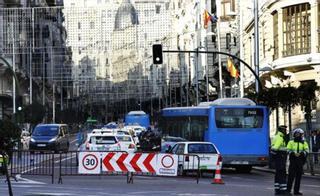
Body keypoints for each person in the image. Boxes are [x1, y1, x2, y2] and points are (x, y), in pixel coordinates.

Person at [286, 128, 309, 195]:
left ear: (301, 135)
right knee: (291, 177)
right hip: (293, 161)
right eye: (296, 134)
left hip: (300, 161)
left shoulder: (304, 142)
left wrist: (301, 153)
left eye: (299, 134)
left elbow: (307, 150)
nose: (297, 135)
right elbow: (288, 150)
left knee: (298, 177)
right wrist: (293, 153)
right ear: (294, 134)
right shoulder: (291, 142)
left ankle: (296, 191)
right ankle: (288, 191)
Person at [271, 125, 289, 195]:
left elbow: (273, 149)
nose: (285, 131)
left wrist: (273, 158)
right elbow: (276, 148)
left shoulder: (276, 136)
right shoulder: (280, 138)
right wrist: (285, 150)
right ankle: (283, 191)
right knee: (282, 174)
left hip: (278, 158)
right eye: (285, 130)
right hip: (281, 157)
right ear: (282, 130)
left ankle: (277, 190)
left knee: (278, 174)